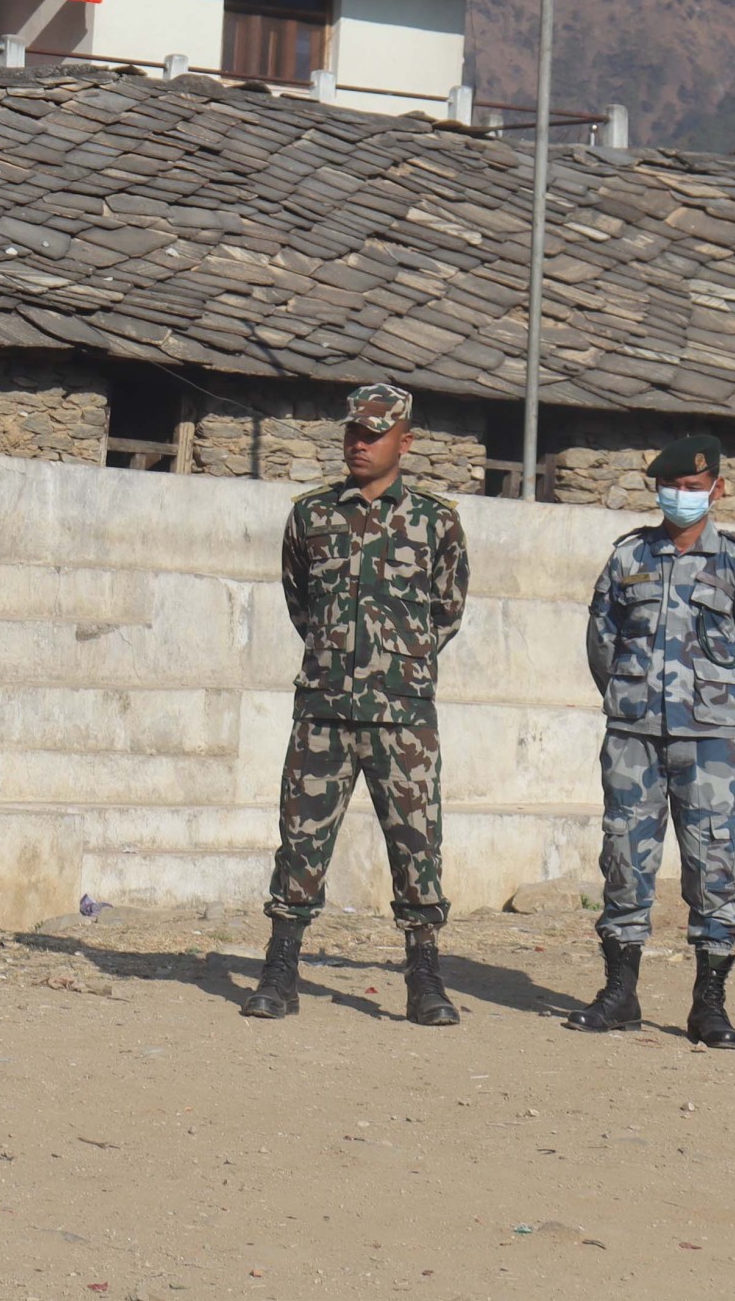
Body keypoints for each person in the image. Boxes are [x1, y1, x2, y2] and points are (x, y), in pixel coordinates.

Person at [242, 384, 469, 1027]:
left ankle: (424, 975)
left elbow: (447, 610)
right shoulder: (310, 515)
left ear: (405, 441)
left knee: (417, 844)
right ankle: (280, 968)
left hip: (402, 714)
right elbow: (300, 603)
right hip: (324, 709)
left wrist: (397, 662)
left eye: (374, 434)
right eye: (353, 432)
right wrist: (336, 656)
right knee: (300, 841)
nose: (359, 444)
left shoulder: (436, 521)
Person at [567, 434, 735, 1049]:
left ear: (717, 489)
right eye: (671, 487)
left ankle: (708, 1005)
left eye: (693, 487)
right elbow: (602, 642)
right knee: (624, 858)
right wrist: (628, 700)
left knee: (713, 864)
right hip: (633, 736)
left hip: (711, 743)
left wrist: (726, 716)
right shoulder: (628, 557)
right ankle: (620, 993)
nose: (681, 496)